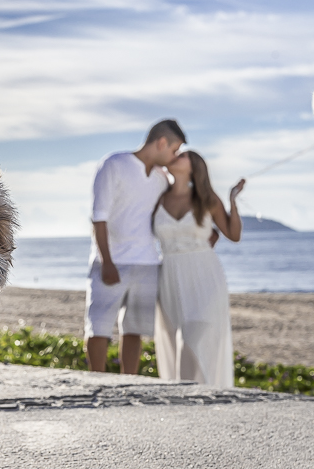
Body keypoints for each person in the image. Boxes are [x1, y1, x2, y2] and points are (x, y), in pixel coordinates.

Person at [85, 119, 185, 374]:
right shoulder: (114, 164)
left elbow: (181, 203)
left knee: (135, 329)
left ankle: (127, 382)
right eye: (174, 150)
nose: (175, 157)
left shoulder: (162, 178)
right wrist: (107, 261)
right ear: (161, 142)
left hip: (148, 262)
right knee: (99, 327)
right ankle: (97, 379)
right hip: (111, 261)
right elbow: (99, 216)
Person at [152, 150, 245, 387]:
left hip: (205, 278)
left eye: (182, 155)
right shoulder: (157, 199)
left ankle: (189, 399)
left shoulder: (207, 199)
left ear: (193, 167)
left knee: (192, 339)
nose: (175, 156)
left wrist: (232, 201)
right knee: (175, 342)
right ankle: (192, 401)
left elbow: (233, 235)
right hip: (170, 279)